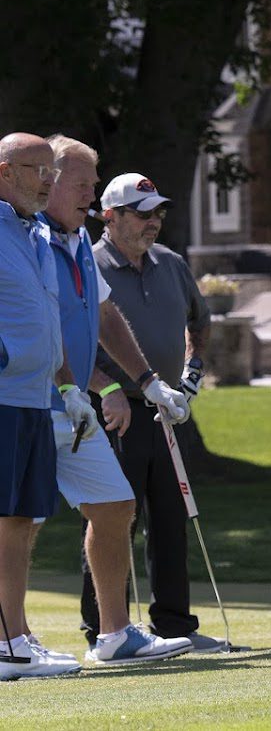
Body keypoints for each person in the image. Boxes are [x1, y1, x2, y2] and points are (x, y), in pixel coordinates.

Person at [38, 136, 193, 665]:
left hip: (74, 407)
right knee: (19, 520)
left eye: (92, 183)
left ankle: (115, 635)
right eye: (81, 184)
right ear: (49, 180)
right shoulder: (29, 238)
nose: (89, 193)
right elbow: (41, 327)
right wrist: (95, 386)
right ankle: (12, 642)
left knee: (115, 506)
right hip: (32, 399)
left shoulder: (78, 241)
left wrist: (148, 382)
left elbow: (104, 317)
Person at [85, 172, 220, 651]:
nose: (154, 221)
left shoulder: (171, 264)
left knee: (170, 518)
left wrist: (191, 375)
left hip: (167, 409)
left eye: (158, 212)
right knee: (112, 519)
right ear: (110, 216)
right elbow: (73, 338)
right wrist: (106, 388)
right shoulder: (88, 263)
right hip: (113, 409)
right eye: (142, 213)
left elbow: (199, 324)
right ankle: (104, 629)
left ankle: (174, 626)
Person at [0, 133, 79, 679]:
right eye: (38, 170)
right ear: (4, 171)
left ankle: (16, 636)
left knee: (21, 519)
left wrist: (67, 386)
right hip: (4, 395)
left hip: (33, 396)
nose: (49, 181)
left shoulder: (37, 231)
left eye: (53, 171)